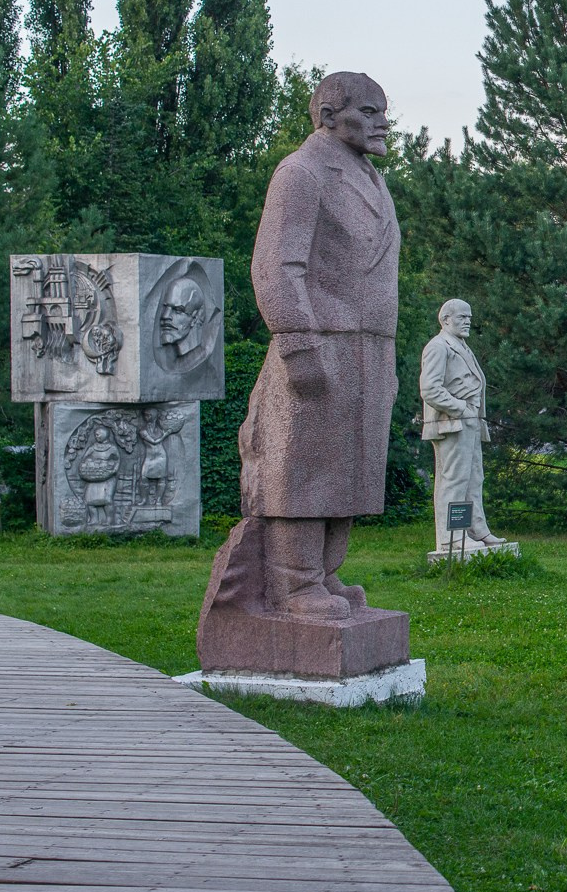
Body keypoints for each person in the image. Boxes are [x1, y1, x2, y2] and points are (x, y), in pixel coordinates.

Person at [205, 71, 400, 621]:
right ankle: (293, 583)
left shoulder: (371, 178)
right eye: (369, 111)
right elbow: (275, 266)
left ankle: (324, 572)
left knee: (351, 471)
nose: (382, 123)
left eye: (384, 111)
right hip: (320, 340)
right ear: (329, 116)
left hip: (369, 346)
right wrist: (296, 343)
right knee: (304, 469)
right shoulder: (301, 172)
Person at [419, 298, 507, 554]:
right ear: (445, 319)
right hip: (452, 423)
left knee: (474, 478)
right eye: (462, 317)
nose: (468, 321)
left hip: (469, 422)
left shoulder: (462, 346)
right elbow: (430, 389)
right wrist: (461, 408)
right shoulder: (438, 347)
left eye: (469, 317)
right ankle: (452, 538)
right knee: (454, 480)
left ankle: (476, 530)